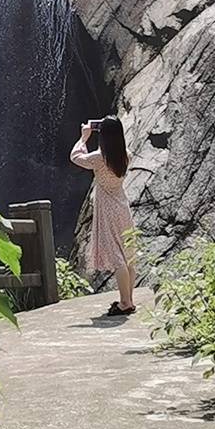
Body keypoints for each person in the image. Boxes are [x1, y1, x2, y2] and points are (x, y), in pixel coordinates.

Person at [70, 115, 136, 316]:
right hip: (122, 206)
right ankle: (129, 299)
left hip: (107, 208)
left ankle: (125, 302)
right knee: (128, 255)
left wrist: (83, 138)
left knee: (117, 257)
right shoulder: (126, 154)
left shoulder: (99, 158)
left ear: (103, 136)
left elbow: (75, 157)